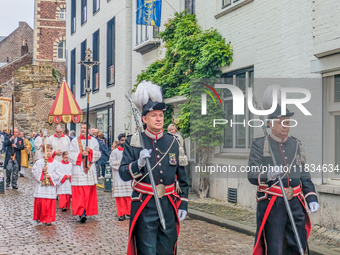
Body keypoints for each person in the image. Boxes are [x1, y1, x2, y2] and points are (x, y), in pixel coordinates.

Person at [119, 81, 189, 255]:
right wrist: (139, 163)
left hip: (169, 204)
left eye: (161, 115)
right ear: (144, 119)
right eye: (154, 115)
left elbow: (183, 177)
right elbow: (123, 173)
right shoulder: (133, 142)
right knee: (147, 250)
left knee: (167, 249)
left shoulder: (174, 142)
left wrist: (184, 204)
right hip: (144, 205)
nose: (159, 119)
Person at [248, 103, 319, 255]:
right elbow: (252, 174)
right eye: (281, 122)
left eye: (287, 122)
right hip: (273, 204)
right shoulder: (260, 144)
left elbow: (303, 173)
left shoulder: (296, 144)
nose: (285, 126)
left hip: (295, 203)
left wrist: (311, 196)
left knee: (298, 243)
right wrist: (268, 174)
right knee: (275, 246)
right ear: (270, 124)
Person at [68, 122, 101, 223]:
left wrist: (90, 152)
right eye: (81, 128)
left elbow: (98, 154)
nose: (82, 130)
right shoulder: (74, 141)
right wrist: (81, 154)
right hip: (78, 169)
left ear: (88, 130)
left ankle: (86, 210)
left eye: (84, 128)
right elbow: (70, 155)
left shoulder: (94, 141)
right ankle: (80, 211)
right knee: (79, 192)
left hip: (89, 168)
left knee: (88, 191)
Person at [32, 144, 62, 226]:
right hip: (41, 186)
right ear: (43, 152)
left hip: (50, 187)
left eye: (50, 151)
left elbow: (59, 174)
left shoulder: (56, 163)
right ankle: (39, 217)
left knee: (49, 203)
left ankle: (48, 219)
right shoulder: (39, 162)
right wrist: (42, 170)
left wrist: (50, 176)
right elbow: (34, 171)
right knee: (40, 202)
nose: (48, 153)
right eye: (47, 151)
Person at [109, 133, 132, 221]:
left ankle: (129, 212)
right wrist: (121, 164)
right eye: (122, 140)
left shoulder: (129, 151)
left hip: (127, 175)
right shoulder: (114, 152)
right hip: (118, 175)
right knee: (120, 197)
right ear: (119, 141)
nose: (124, 142)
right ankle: (121, 213)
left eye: (125, 140)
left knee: (128, 195)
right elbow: (111, 162)